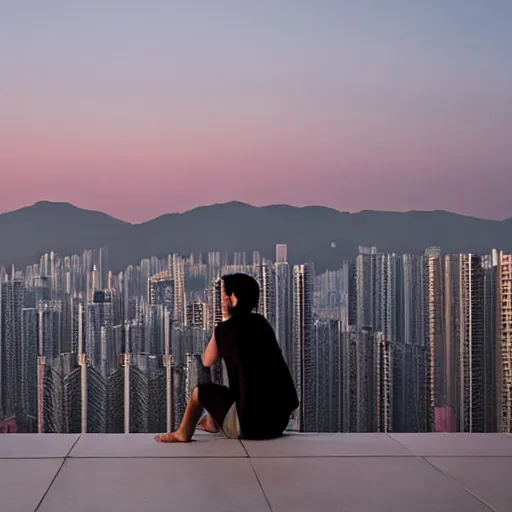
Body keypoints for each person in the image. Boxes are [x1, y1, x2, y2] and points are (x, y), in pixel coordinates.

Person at [155, 273, 298, 442]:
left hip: (250, 428)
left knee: (199, 392)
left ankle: (182, 433)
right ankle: (211, 421)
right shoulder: (262, 323)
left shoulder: (225, 329)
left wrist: (224, 321)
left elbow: (207, 360)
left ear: (234, 298)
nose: (222, 300)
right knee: (234, 390)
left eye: (225, 295)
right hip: (278, 423)